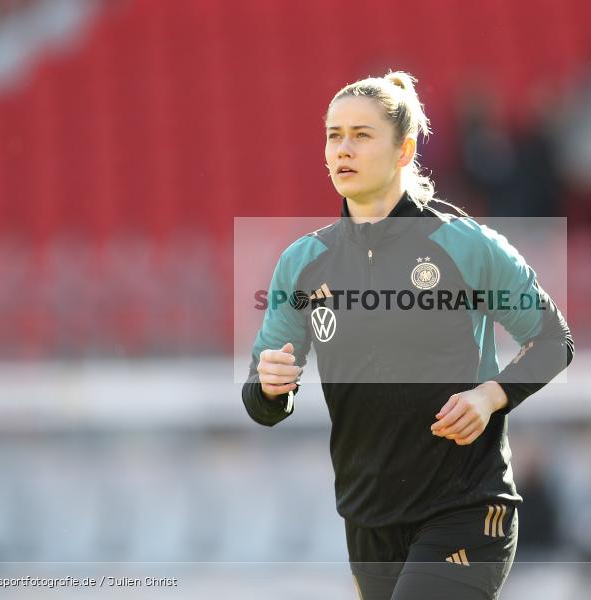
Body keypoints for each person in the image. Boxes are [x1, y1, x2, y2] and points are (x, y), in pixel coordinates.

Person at [242, 71, 574, 600]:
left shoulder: (466, 246)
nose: (342, 149)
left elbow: (554, 340)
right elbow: (261, 402)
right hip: (369, 520)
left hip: (466, 507)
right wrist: (270, 384)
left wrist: (491, 398)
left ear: (404, 150)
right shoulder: (302, 264)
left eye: (361, 135)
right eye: (334, 135)